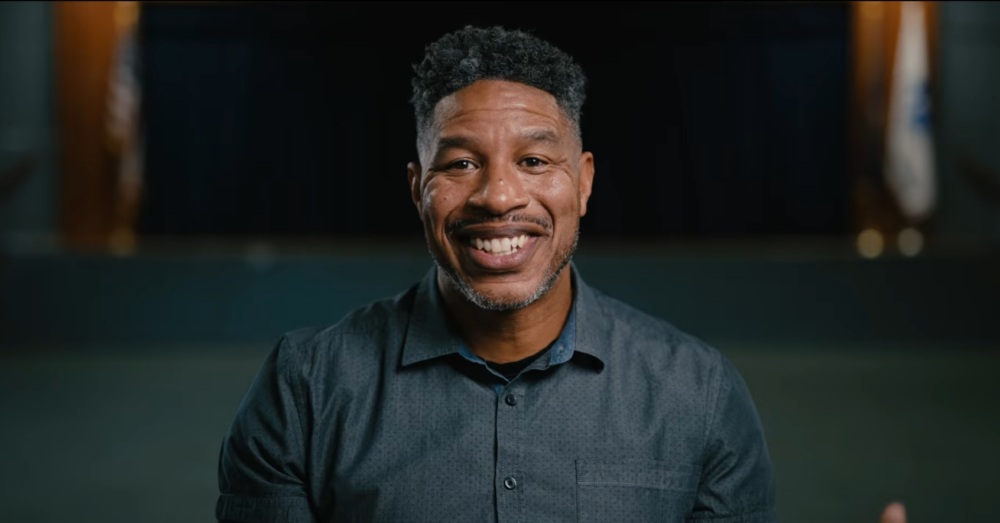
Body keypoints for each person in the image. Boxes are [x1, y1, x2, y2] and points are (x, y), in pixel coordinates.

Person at [217, 26, 901, 523]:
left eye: (536, 161)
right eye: (459, 163)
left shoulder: (699, 394)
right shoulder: (305, 389)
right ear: (416, 187)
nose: (498, 196)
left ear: (585, 182)